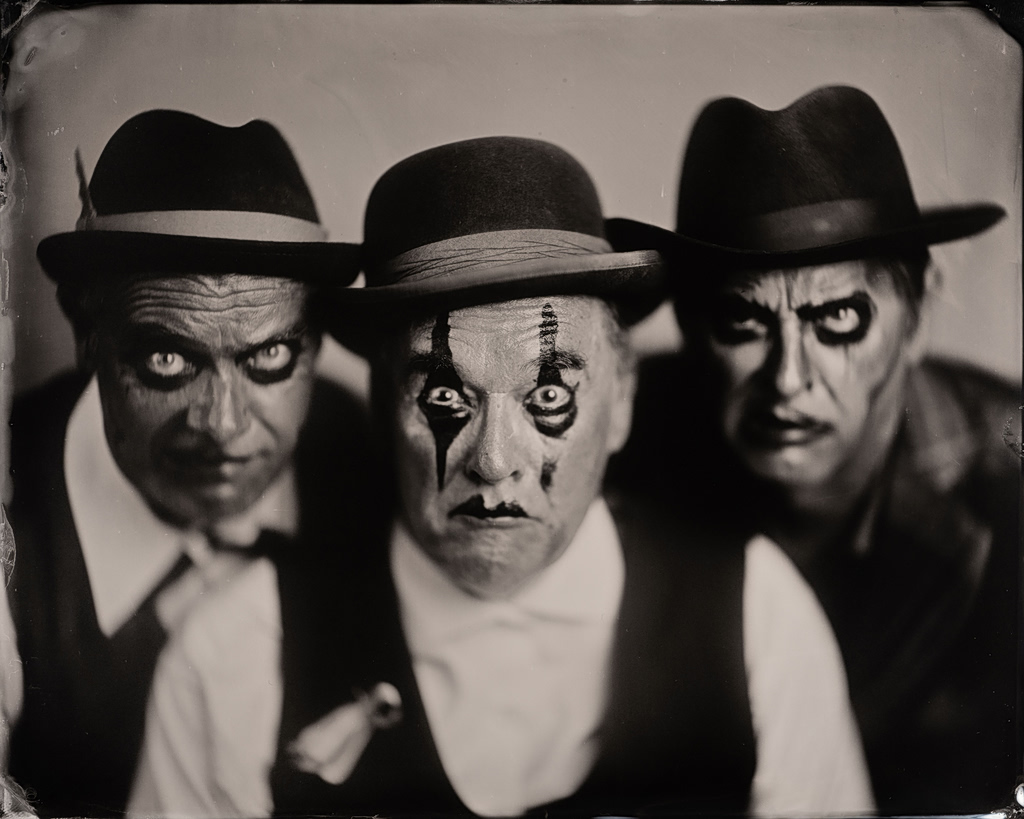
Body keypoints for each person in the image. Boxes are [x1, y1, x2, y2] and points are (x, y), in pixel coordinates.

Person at [130, 136, 873, 818]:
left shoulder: (758, 614)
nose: (493, 459)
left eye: (547, 397)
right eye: (444, 398)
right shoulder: (234, 652)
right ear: (382, 407)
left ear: (621, 402)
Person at [606, 85, 1018, 814]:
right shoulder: (616, 453)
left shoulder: (1008, 479)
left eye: (838, 318)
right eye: (743, 320)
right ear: (693, 329)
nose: (789, 378)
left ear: (918, 314)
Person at [6, 109, 372, 817]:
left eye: (270, 356)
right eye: (167, 359)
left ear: (316, 346)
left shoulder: (364, 457)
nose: (224, 425)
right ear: (87, 335)